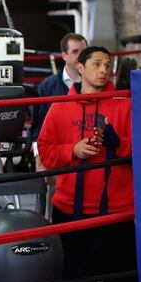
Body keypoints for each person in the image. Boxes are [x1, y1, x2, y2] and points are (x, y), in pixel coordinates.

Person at [37, 46, 138, 282]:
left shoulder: (125, 105)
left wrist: (118, 145)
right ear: (80, 68)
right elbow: (46, 152)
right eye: (97, 64)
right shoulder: (59, 108)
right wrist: (73, 150)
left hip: (118, 210)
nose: (104, 69)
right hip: (71, 209)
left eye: (107, 64)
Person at [32, 33, 89, 178]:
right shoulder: (47, 86)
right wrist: (39, 160)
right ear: (64, 55)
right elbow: (38, 126)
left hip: (89, 157)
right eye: (75, 52)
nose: (81, 56)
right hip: (58, 157)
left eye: (84, 52)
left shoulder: (96, 84)